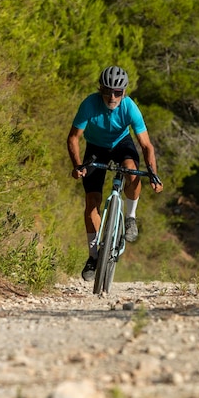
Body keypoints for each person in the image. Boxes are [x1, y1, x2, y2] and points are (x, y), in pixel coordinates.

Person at [67, 65, 163, 281]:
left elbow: (147, 146)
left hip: (122, 144)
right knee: (92, 202)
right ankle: (93, 257)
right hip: (95, 147)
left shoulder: (129, 107)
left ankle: (130, 217)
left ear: (124, 92)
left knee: (131, 170)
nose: (112, 96)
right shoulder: (89, 104)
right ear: (100, 89)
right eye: (107, 91)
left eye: (117, 92)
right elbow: (73, 137)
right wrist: (77, 165)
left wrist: (154, 175)